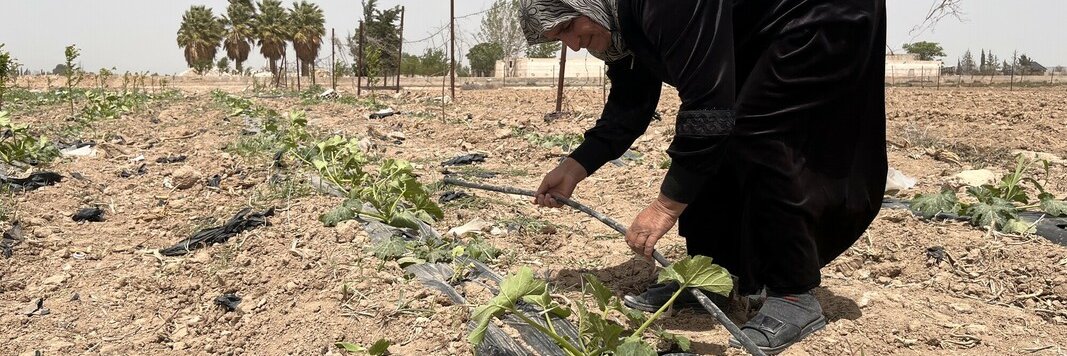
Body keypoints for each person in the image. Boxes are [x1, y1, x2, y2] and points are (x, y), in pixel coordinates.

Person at [523, 0, 887, 353]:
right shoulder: (617, 19)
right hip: (758, 30)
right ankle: (714, 277)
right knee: (718, 134)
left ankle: (793, 292)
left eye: (570, 27)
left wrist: (666, 205)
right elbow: (631, 101)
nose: (572, 45)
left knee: (759, 135)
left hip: (817, 13)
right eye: (560, 39)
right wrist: (575, 166)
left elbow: (707, 104)